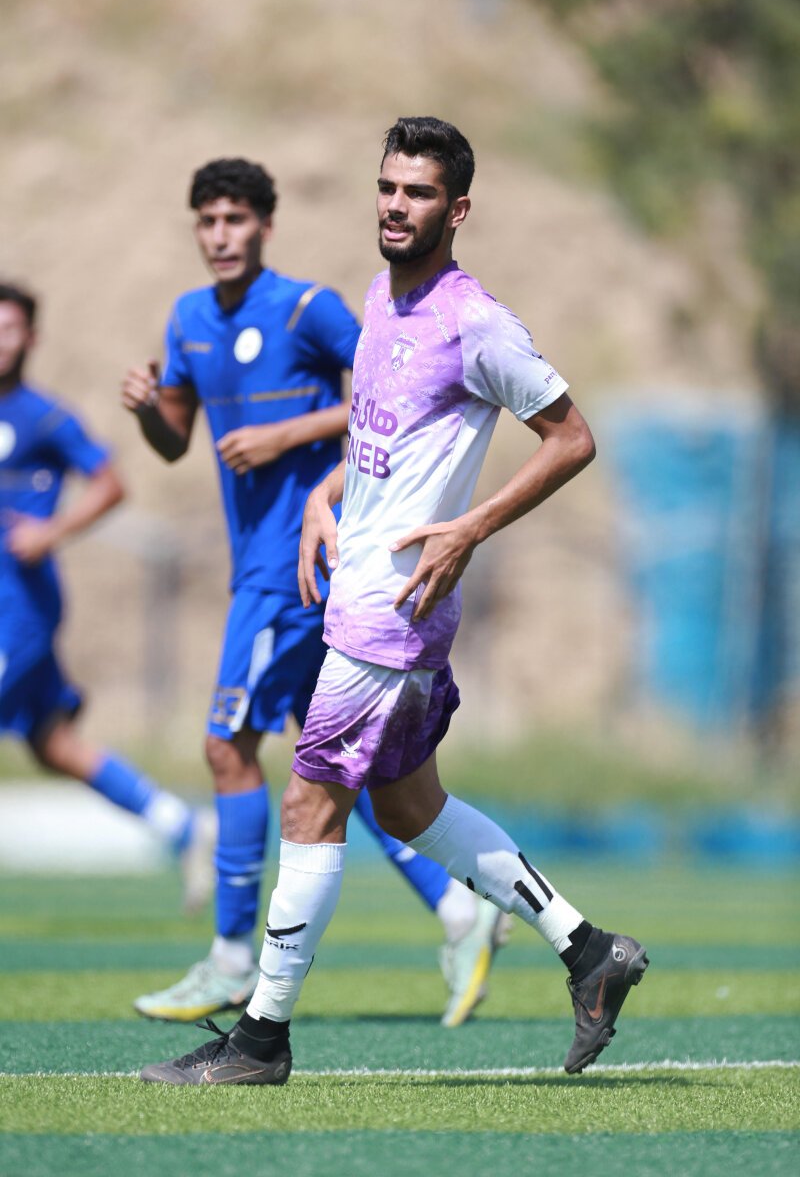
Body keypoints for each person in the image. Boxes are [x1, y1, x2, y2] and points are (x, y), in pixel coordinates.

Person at [139, 118, 649, 1088]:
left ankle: (259, 1041)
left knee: (308, 801)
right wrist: (327, 493)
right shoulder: (379, 295)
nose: (395, 206)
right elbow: (381, 436)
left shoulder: (475, 322)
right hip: (366, 595)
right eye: (387, 187)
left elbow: (571, 438)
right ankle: (589, 951)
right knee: (410, 807)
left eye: (417, 193)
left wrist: (470, 529)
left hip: (392, 609)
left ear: (457, 210)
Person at [122, 157, 506, 1027]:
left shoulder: (308, 309)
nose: (222, 236)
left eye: (237, 219)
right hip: (255, 561)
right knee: (334, 769)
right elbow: (174, 440)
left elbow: (384, 398)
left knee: (227, 746)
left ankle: (230, 958)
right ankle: (460, 910)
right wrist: (148, 406)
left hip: (297, 567)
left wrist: (288, 434)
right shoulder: (188, 319)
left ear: (266, 225)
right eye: (208, 221)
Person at [0, 282, 214, 906]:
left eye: (10, 329)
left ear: (31, 339)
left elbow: (110, 483)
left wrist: (51, 531)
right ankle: (181, 826)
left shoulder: (43, 417)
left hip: (20, 607)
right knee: (53, 745)